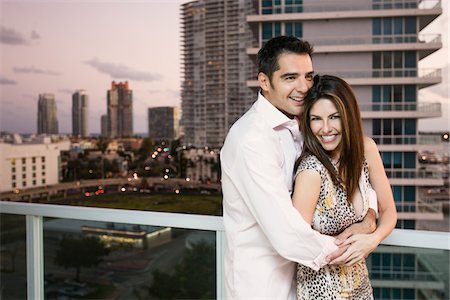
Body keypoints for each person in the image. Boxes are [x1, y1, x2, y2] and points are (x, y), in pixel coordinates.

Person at [220, 36, 380, 300]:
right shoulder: (251, 140)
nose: (304, 87)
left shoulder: (303, 125)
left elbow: (348, 172)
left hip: (302, 281)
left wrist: (370, 216)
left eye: (308, 76)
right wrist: (356, 248)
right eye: (290, 77)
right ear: (264, 81)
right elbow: (287, 235)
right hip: (262, 286)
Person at [292, 74, 397, 299]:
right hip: (321, 290)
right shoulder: (312, 170)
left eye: (334, 117)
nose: (326, 128)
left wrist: (373, 238)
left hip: (360, 285)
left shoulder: (366, 149)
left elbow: (389, 211)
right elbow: (297, 240)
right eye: (316, 119)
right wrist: (362, 232)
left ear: (348, 116)